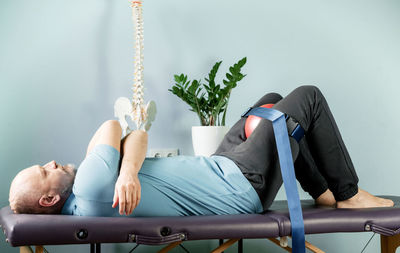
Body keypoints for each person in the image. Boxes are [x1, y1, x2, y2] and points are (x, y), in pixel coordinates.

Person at [8, 86, 394, 216]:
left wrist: (127, 169)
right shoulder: (89, 187)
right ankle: (348, 194)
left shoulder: (89, 188)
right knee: (306, 98)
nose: (51, 162)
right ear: (48, 199)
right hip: (240, 186)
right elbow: (115, 127)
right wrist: (126, 166)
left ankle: (322, 192)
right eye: (44, 170)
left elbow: (136, 133)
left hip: (222, 166)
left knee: (274, 102)